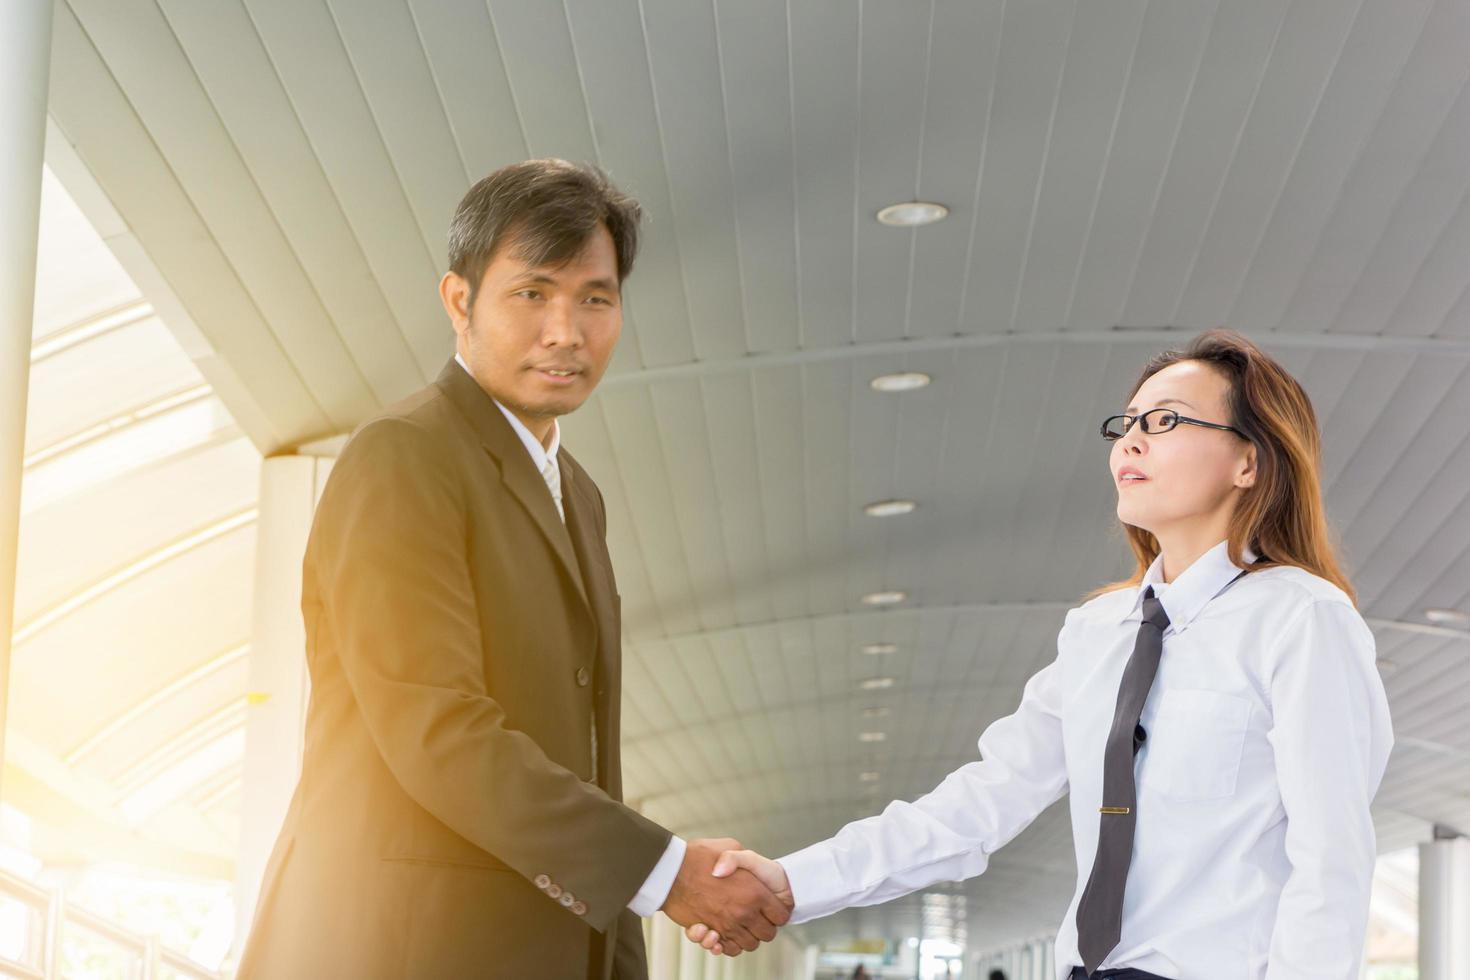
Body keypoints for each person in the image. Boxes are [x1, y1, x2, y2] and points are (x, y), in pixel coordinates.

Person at [686, 329, 1393, 979]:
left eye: (1166, 420)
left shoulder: (1301, 619)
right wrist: (791, 881)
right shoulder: (1098, 632)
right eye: (1127, 425)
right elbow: (977, 805)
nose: (1131, 443)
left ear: (1249, 460)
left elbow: (1331, 862)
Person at [235, 159, 789, 979]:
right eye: (532, 293)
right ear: (459, 301)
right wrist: (669, 874)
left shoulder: (579, 495)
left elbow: (592, 760)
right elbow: (435, 728)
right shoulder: (405, 457)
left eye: (595, 299)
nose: (566, 330)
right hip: (397, 949)